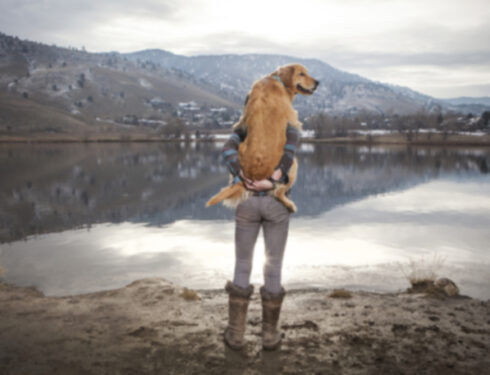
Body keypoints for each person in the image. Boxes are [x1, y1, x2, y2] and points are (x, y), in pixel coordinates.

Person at [221, 122, 300, 351]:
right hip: (276, 202)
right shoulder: (287, 125)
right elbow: (290, 152)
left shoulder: (244, 127)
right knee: (273, 267)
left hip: (246, 202)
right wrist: (274, 180)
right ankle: (270, 336)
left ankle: (235, 335)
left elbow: (227, 149)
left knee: (242, 264)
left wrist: (241, 174)